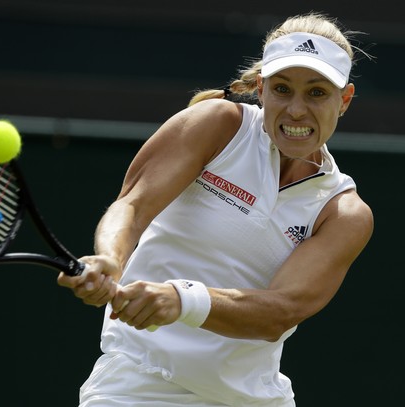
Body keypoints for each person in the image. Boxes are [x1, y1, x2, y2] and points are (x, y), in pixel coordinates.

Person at [58, 11, 374, 407]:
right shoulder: (217, 125)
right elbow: (133, 207)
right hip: (136, 384)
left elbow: (281, 310)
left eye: (316, 93)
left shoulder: (343, 213)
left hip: (252, 400)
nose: (296, 110)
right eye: (282, 89)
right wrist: (110, 258)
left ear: (344, 100)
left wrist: (182, 299)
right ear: (260, 89)